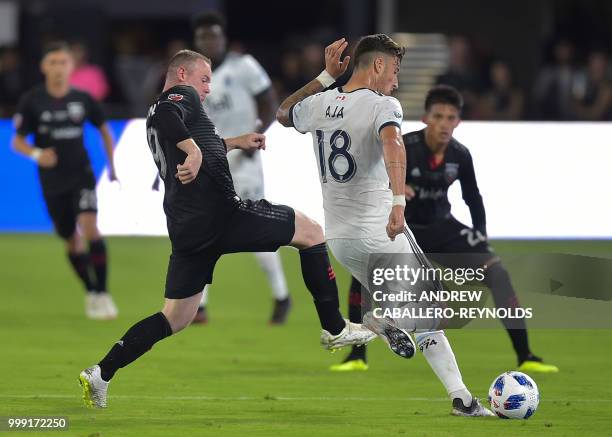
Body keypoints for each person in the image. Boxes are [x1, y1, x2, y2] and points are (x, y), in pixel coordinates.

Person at [78, 49, 411, 408]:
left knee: (175, 317)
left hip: (187, 227)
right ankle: (335, 328)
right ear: (183, 74)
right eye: (204, 79)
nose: (208, 88)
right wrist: (192, 151)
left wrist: (234, 142)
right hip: (221, 214)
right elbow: (172, 121)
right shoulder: (177, 98)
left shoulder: (160, 111)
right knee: (312, 232)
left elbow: (192, 139)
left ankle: (101, 372)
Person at [277, 35, 493, 417]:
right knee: (434, 299)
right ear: (377, 66)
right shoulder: (383, 105)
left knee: (426, 314)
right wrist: (398, 203)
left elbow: (283, 112)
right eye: (394, 70)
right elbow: (394, 145)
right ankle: (387, 316)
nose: (396, 80)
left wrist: (326, 76)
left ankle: (461, 398)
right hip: (379, 229)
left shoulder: (320, 103)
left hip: (339, 239)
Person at [333, 85, 559, 374]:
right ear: (426, 118)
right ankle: (357, 355)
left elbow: (472, 196)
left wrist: (480, 231)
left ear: (458, 122)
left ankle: (525, 355)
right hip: (403, 227)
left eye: (450, 117)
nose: (444, 123)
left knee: (497, 273)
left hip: (443, 227)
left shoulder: (460, 155)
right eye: (438, 116)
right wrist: (397, 188)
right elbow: (371, 181)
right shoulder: (404, 148)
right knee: (362, 278)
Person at [192, 11, 291, 324]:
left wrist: (257, 133)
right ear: (196, 41)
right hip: (210, 158)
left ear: (223, 38)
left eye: (214, 36)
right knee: (201, 229)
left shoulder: (244, 66)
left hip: (243, 160)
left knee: (255, 231)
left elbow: (269, 101)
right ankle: (200, 307)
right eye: (204, 37)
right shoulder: (191, 75)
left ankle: (281, 295)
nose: (210, 42)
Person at [12, 41, 118, 320]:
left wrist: (112, 167)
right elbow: (17, 142)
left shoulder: (82, 99)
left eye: (63, 62)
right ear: (44, 67)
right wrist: (37, 154)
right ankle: (91, 291)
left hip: (82, 174)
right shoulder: (32, 100)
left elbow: (105, 130)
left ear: (71, 66)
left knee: (90, 227)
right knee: (71, 240)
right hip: (52, 180)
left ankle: (104, 293)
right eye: (53, 63)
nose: (59, 68)